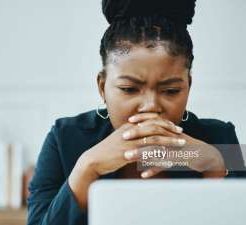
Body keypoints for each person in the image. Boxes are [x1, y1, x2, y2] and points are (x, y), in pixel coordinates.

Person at [26, 0, 246, 225]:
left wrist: (215, 166)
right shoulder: (64, 139)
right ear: (102, 86)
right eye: (129, 89)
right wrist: (87, 167)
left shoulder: (222, 138)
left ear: (188, 86)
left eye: (170, 90)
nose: (150, 106)